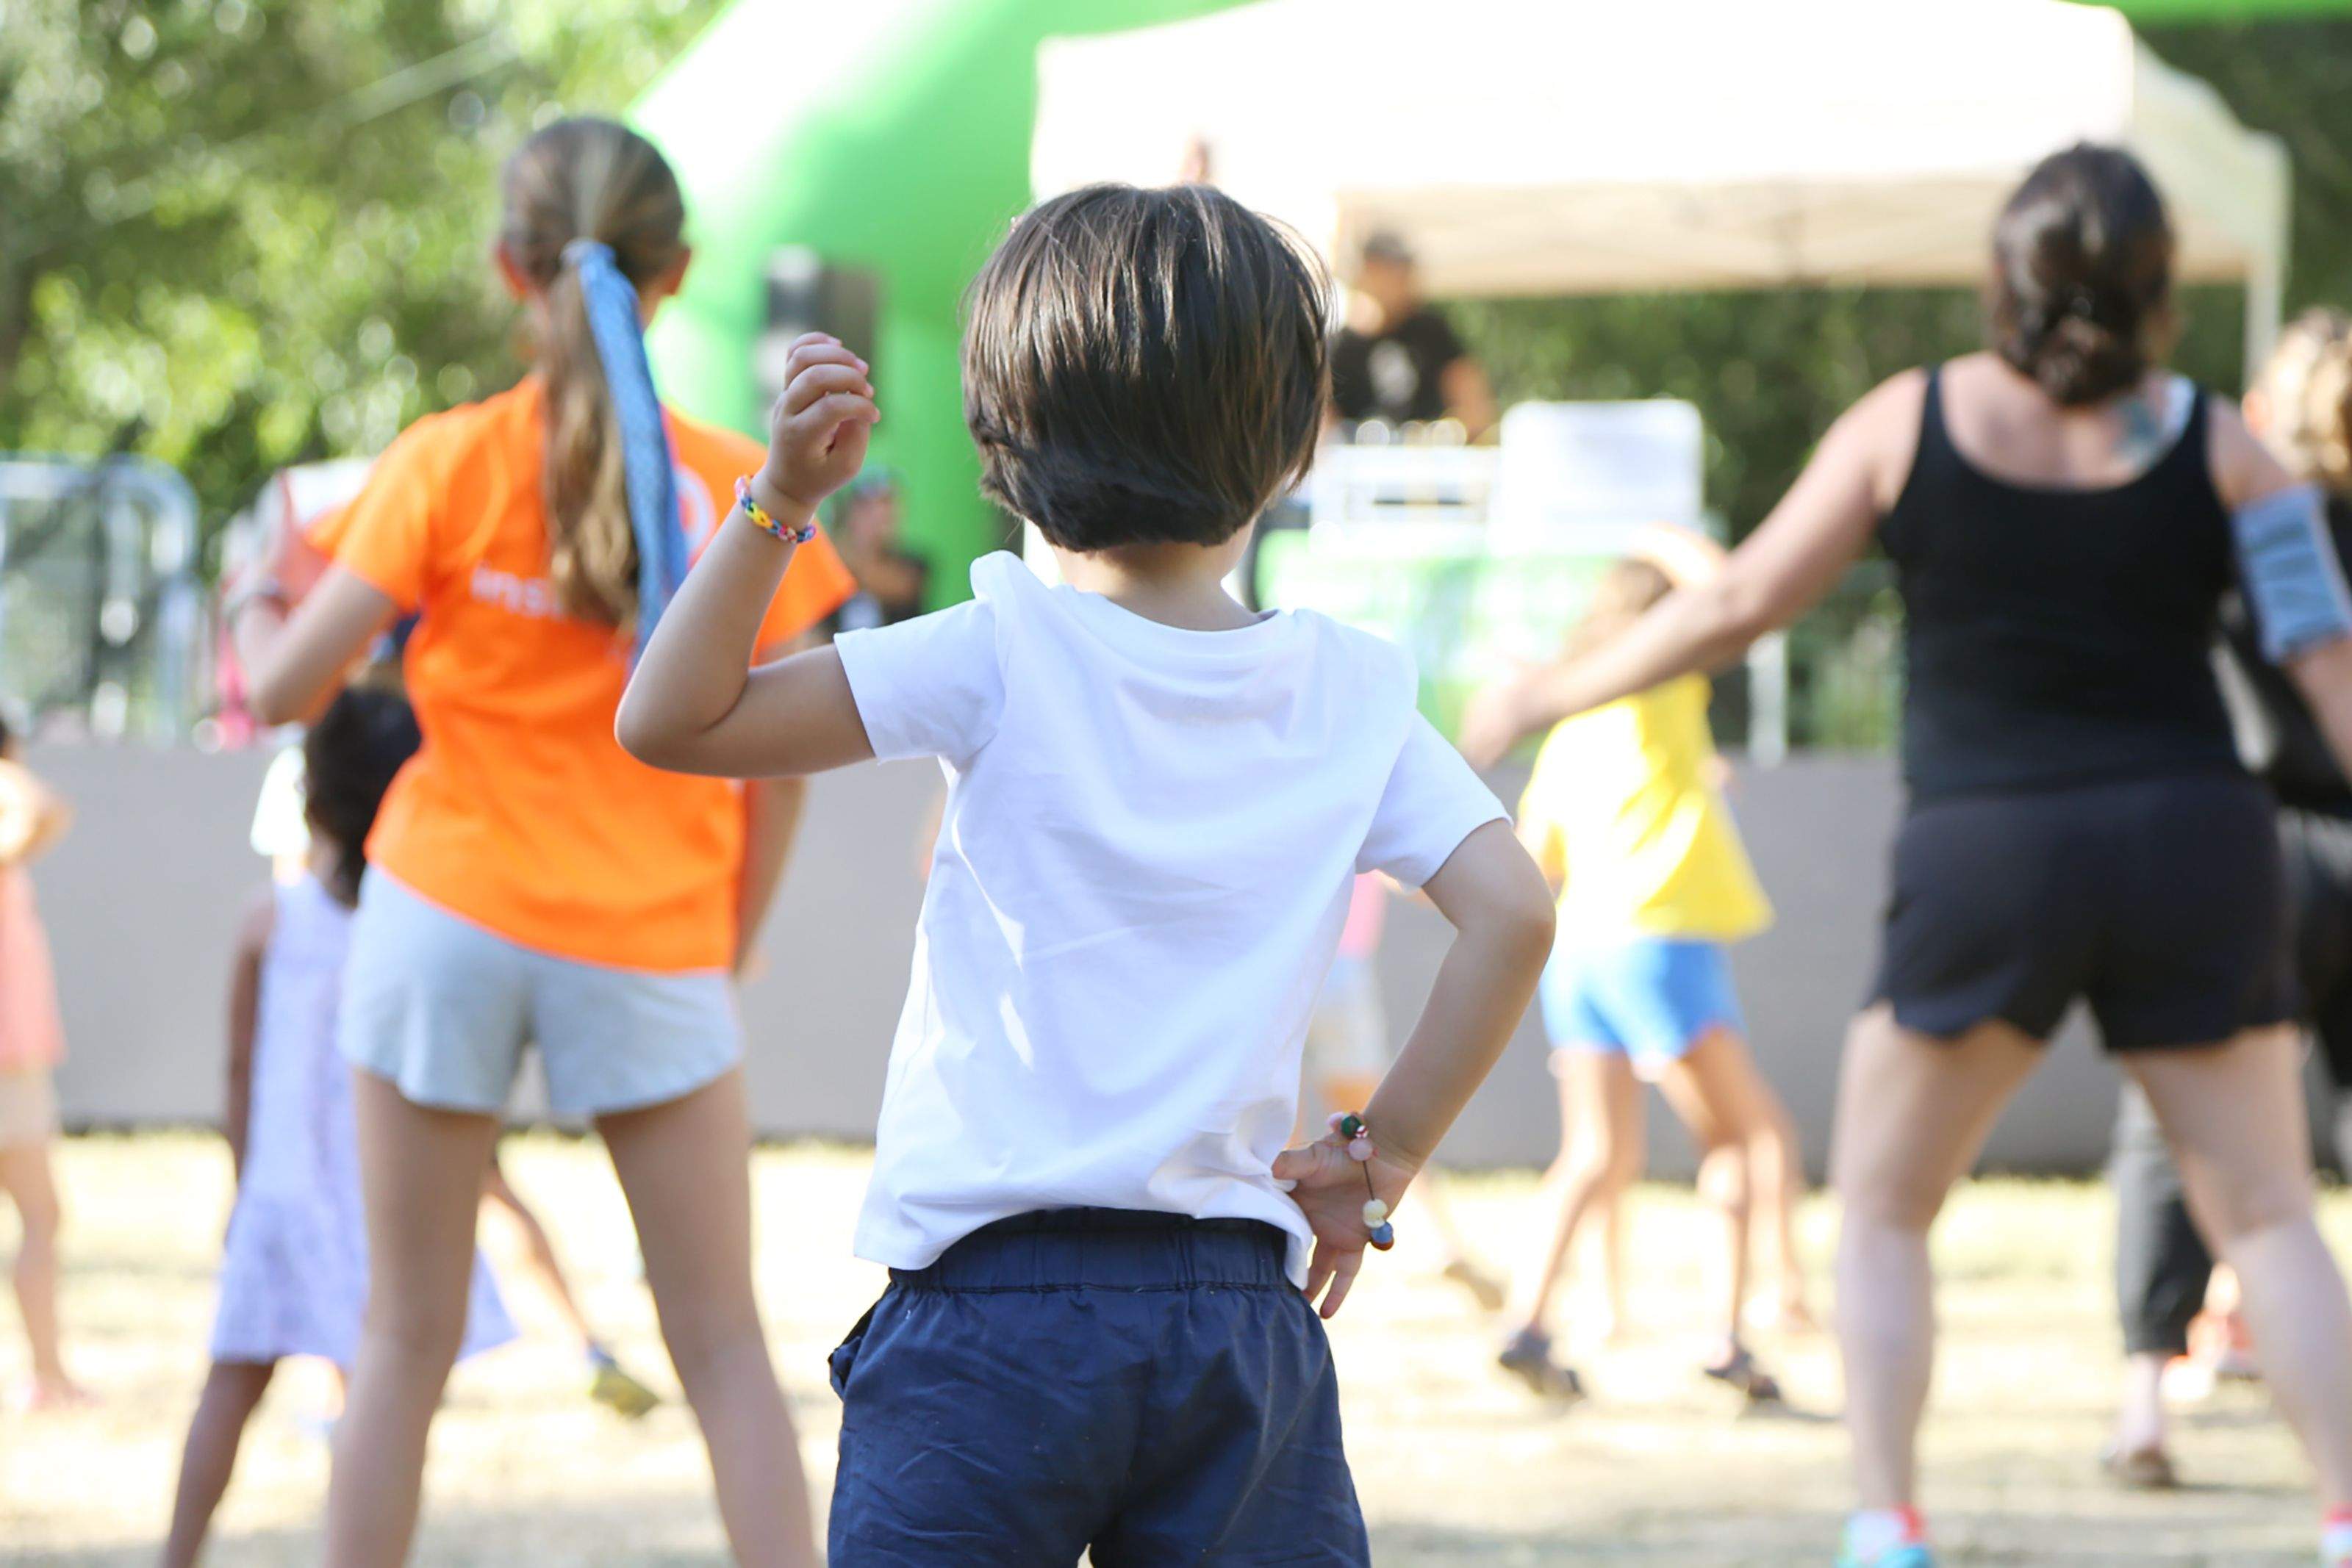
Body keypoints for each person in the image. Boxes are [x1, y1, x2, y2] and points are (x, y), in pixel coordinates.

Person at [617, 183, 1557, 1564]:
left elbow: (672, 721)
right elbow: (1514, 912)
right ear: (1293, 443)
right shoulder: (1346, 690)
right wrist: (1385, 1153)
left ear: (1003, 439)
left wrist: (781, 503)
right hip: (1234, 1319)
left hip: (983, 1318)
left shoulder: (999, 645)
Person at [1458, 144, 2352, 1568]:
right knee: (2267, 1214)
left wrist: (1540, 695)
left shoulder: (1907, 420)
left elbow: (1738, 602)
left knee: (1881, 1206)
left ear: (2006, 278)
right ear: (2157, 290)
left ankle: (1886, 1526)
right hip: (2193, 844)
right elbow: (2327, 671)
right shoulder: (2227, 449)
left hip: (1988, 855)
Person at [232, 117, 854, 1568]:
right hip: (651, 931)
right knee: (723, 1347)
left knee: (399, 1341)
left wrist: (259, 596)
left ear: (509, 267)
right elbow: (781, 776)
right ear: (676, 271)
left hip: (440, 914)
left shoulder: (446, 461)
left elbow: (284, 688)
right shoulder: (745, 488)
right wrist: (729, 942)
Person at [163, 683, 517, 1568]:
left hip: (281, 1193)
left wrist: (244, 1185)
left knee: (231, 1385)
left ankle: (176, 1555)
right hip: (380, 1203)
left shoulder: (269, 917)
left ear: (313, 798)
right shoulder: (426, 931)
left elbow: (239, 1067)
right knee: (383, 1401)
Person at [2102, 306, 2352, 1489]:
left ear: (2259, 411)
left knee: (2172, 1124)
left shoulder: (2233, 519)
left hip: (2242, 848)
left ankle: (2144, 1403)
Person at [246, 736, 662, 1420]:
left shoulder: (401, 751)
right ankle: (575, 1348)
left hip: (391, 1020)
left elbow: (295, 908)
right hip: (406, 1007)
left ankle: (579, 1348)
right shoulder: (348, 757)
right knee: (447, 1215)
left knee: (437, 1229)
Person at [1492, 542, 1810, 1407]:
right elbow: (1730, 592)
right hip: (1658, 945)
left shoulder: (1567, 727)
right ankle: (1727, 1340)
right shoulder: (1659, 686)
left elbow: (1534, 863)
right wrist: (1661, 533)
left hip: (1579, 953)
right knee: (1742, 1139)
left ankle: (1525, 1323)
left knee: (1593, 1153)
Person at [1301, 874, 1507, 1312]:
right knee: (1374, 1131)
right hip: (1338, 972)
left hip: (1286, 965)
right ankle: (1442, 1244)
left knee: (1303, 1132)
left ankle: (1283, 1259)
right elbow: (1418, 880)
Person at [0, 713, 83, 1411]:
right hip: (7, 1067)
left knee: (42, 1217)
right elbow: (47, 808)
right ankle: (47, 1375)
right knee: (40, 1215)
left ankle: (49, 1374)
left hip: (18, 1058)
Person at [1328, 231, 1497, 437]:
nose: (1398, 281)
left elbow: (1475, 404)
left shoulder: (1432, 333)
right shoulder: (1341, 345)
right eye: (1387, 271)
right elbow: (1323, 420)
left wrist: (1445, 433)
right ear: (1365, 273)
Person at [823, 472, 928, 635]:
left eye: (886, 508)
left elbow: (897, 586)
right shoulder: (832, 559)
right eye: (867, 509)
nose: (878, 517)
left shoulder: (912, 564)